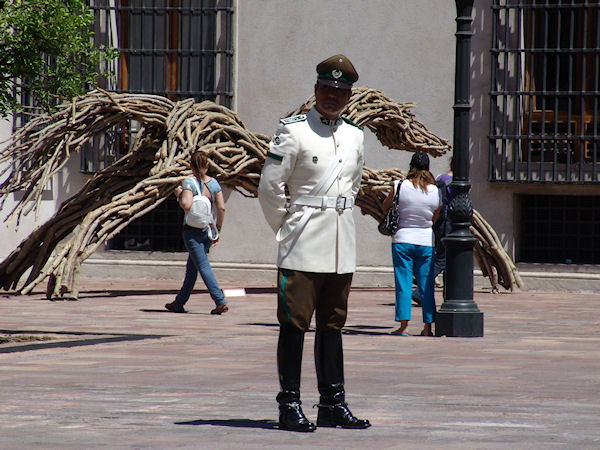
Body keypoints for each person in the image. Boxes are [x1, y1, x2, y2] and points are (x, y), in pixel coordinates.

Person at [258, 54, 370, 432]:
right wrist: (285, 228)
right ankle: (289, 403)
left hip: (340, 244)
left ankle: (332, 403)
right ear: (315, 89)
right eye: (326, 89)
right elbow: (269, 187)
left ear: (349, 95)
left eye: (339, 92)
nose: (331, 97)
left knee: (333, 325)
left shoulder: (356, 135)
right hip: (303, 242)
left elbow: (351, 186)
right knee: (294, 325)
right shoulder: (293, 131)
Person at [382, 152, 440, 336]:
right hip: (425, 242)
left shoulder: (399, 185)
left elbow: (385, 206)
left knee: (403, 283)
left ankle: (404, 326)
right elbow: (435, 217)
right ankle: (427, 327)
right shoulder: (435, 191)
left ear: (411, 166)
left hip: (402, 239)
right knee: (426, 285)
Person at [165, 151, 228, 315]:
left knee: (203, 266)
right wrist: (218, 230)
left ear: (190, 165)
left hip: (191, 231)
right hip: (207, 231)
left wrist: (179, 195)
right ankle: (178, 303)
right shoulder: (214, 184)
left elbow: (186, 205)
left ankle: (220, 301)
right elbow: (221, 208)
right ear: (207, 165)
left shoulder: (188, 183)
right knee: (192, 269)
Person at [411, 159, 453, 306]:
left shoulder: (441, 178)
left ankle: (446, 295)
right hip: (448, 223)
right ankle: (420, 291)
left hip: (439, 222)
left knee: (444, 258)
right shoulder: (453, 182)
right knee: (443, 258)